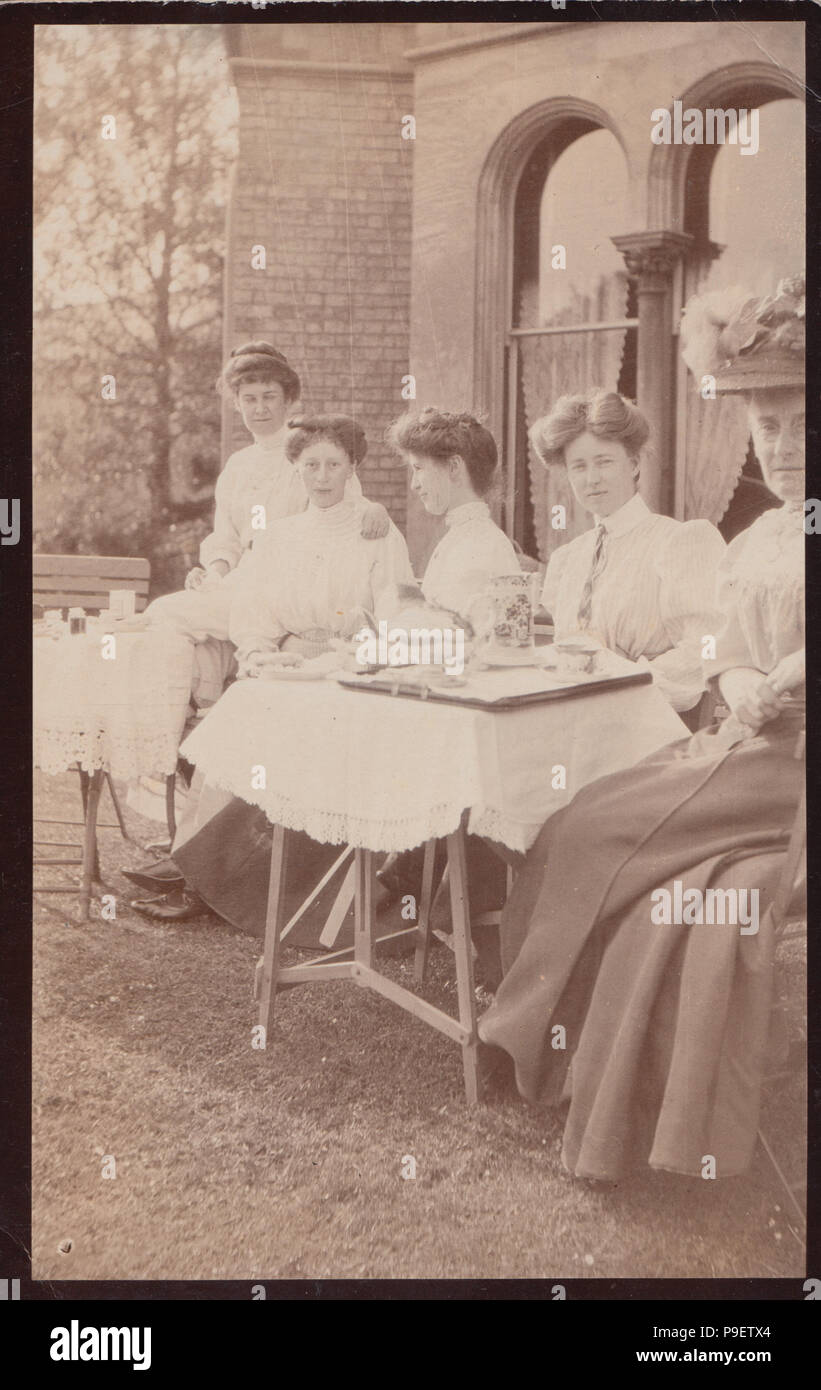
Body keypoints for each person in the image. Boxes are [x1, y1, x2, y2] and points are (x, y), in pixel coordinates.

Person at [477, 274, 806, 1181]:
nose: (780, 447)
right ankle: (553, 1047)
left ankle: (527, 1039)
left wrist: (788, 676)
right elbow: (732, 650)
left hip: (796, 771)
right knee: (577, 822)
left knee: (599, 830)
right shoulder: (763, 539)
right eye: (765, 427)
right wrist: (745, 684)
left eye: (797, 424)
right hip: (752, 741)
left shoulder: (698, 541)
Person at [127, 414, 412, 920]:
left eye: (332, 465)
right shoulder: (280, 537)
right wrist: (258, 653)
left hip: (352, 673)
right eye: (310, 466)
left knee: (275, 734)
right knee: (234, 721)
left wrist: (355, 653)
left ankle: (203, 880)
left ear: (352, 469)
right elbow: (252, 610)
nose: (321, 477)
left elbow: (396, 612)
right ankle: (194, 868)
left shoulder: (377, 532)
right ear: (296, 471)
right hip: (289, 662)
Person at [144, 342, 390, 706]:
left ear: (289, 399)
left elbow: (344, 503)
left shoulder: (308, 451)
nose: (259, 408)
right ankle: (207, 703)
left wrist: (376, 509)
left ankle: (211, 700)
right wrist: (213, 574)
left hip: (291, 587)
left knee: (165, 612)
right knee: (176, 620)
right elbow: (225, 540)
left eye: (269, 396)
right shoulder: (238, 466)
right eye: (249, 398)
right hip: (243, 584)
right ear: (237, 403)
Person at [532, 390, 726, 713]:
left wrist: (622, 684)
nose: (592, 479)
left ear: (634, 464)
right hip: (574, 719)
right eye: (578, 467)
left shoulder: (680, 542)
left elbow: (703, 651)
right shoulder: (569, 558)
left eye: (604, 462)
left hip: (648, 723)